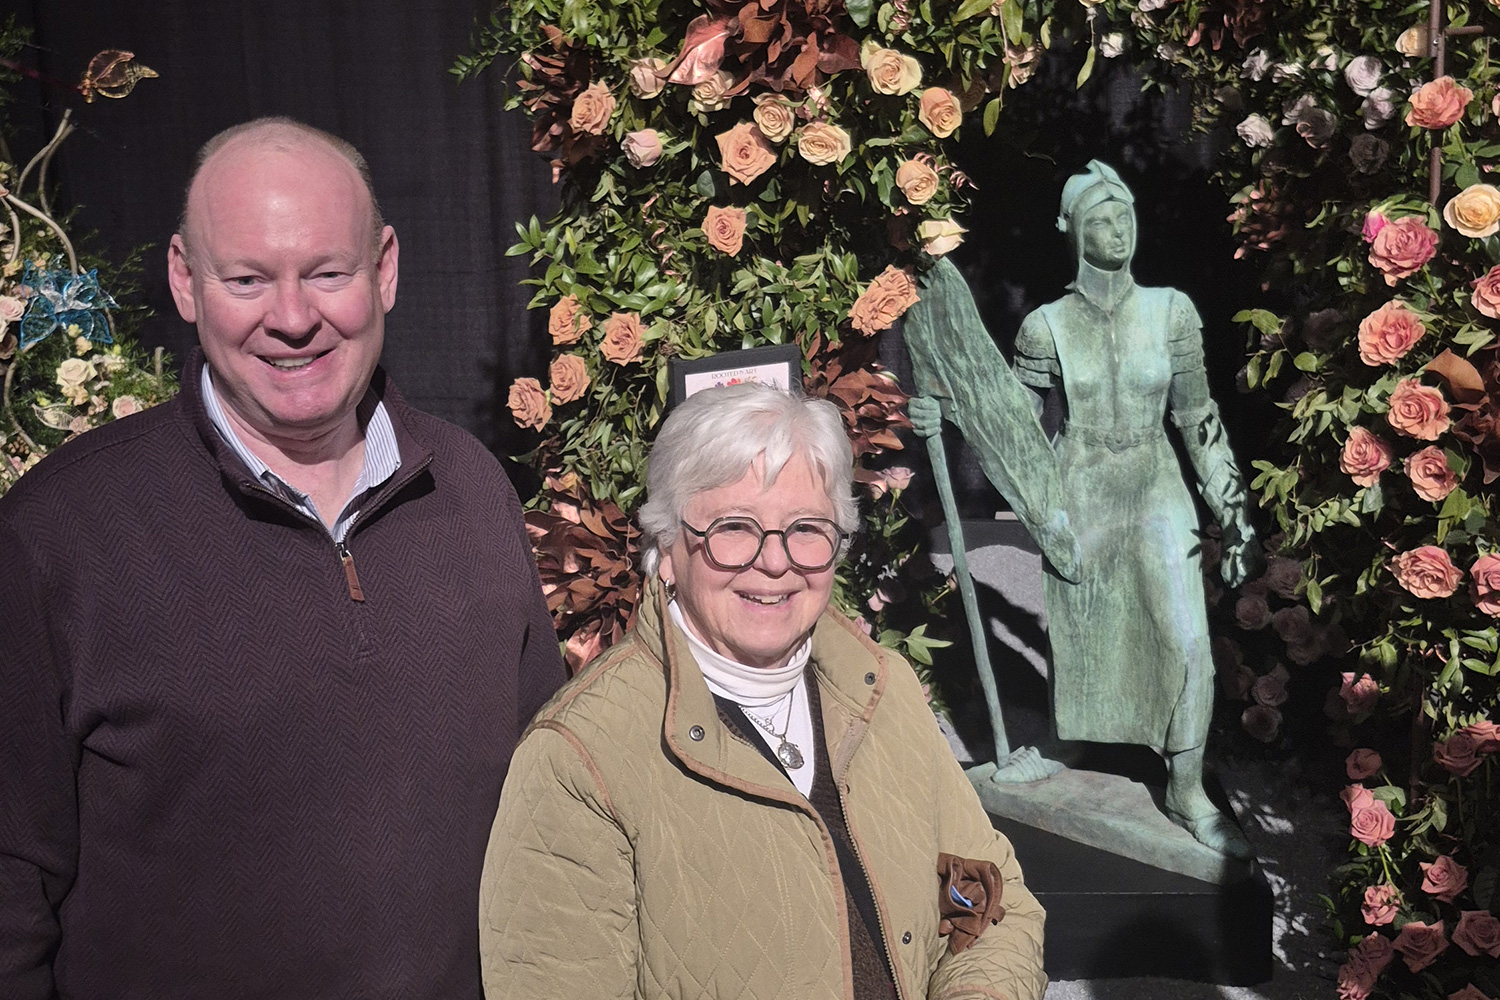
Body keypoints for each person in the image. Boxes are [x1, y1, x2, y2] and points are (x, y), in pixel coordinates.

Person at [0, 117, 566, 999]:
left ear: (384, 269)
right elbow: (10, 880)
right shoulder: (59, 536)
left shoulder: (469, 491)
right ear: (186, 281)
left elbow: (552, 793)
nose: (293, 318)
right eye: (248, 279)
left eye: (327, 273)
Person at [478, 382, 1046, 1000]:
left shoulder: (885, 691)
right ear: (666, 548)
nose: (774, 563)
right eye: (733, 528)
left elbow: (988, 903)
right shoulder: (578, 762)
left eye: (805, 528)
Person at [1008, 160, 1261, 856]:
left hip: (1155, 482)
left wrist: (1232, 512)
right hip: (1082, 488)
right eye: (1100, 220)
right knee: (1094, 640)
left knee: (1186, 638)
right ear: (1073, 232)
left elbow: (1198, 416)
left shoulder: (1170, 311)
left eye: (1124, 216)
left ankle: (1186, 787)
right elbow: (1012, 432)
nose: (1117, 230)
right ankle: (1112, 756)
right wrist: (948, 408)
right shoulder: (1044, 326)